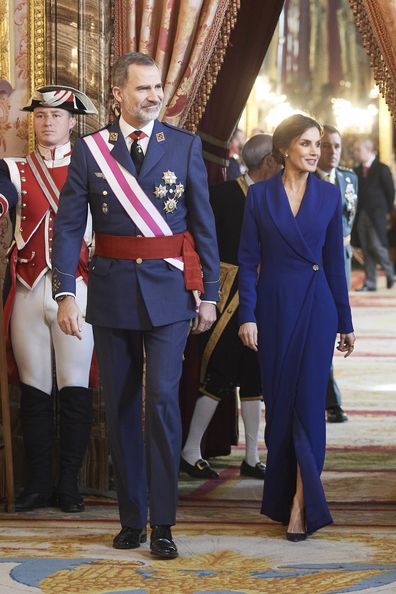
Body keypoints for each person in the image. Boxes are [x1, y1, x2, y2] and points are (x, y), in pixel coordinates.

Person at [51, 52, 220, 559]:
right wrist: (64, 292)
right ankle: (131, 518)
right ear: (118, 94)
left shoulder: (185, 146)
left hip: (170, 294)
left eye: (158, 87)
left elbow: (203, 227)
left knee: (163, 404)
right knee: (121, 407)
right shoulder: (90, 151)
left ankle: (163, 523)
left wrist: (208, 293)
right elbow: (66, 227)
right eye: (143, 88)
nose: (153, 96)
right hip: (112, 291)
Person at [238, 114, 355, 541]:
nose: (314, 152)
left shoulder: (328, 195)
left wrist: (345, 320)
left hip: (317, 308)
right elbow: (248, 262)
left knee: (309, 407)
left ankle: (302, 506)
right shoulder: (259, 197)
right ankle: (284, 496)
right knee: (280, 411)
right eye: (306, 144)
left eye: (318, 145)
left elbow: (334, 267)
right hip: (272, 310)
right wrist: (247, 315)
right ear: (285, 148)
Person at [0, 85, 97, 513]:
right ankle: (38, 484)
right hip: (26, 287)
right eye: (40, 115)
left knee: (75, 388)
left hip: (77, 290)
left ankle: (69, 485)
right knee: (34, 389)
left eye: (57, 116)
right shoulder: (13, 168)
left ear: (73, 123)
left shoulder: (94, 167)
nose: (47, 122)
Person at [181, 134, 279, 480]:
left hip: (263, 296)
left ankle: (252, 456)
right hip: (226, 296)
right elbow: (201, 242)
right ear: (268, 161)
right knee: (219, 372)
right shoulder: (223, 195)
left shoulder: (277, 195)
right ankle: (190, 450)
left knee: (255, 374)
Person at [317, 125, 358, 423]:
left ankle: (328, 395)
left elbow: (350, 219)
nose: (332, 152)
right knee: (323, 328)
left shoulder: (349, 178)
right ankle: (331, 398)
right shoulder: (306, 181)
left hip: (341, 259)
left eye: (337, 146)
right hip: (316, 262)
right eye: (326, 146)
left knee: (335, 324)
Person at [353, 138, 395, 291]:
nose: (355, 153)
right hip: (361, 215)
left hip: (377, 215)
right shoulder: (357, 170)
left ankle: (390, 274)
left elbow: (390, 192)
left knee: (378, 246)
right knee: (366, 249)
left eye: (358, 150)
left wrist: (387, 212)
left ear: (368, 149)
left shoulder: (382, 168)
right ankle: (370, 282)